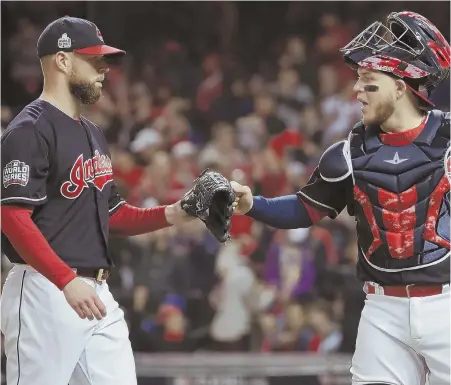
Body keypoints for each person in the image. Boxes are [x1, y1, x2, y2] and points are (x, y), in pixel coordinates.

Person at [232, 11, 450, 385]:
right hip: (382, 311)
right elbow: (304, 209)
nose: (356, 92)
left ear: (401, 86)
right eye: (358, 82)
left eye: (369, 83)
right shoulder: (347, 153)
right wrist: (253, 204)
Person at [0, 17, 196, 385]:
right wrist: (64, 280)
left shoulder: (91, 131)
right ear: (62, 61)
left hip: (97, 294)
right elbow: (11, 216)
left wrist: (174, 212)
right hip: (45, 290)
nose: (105, 68)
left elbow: (113, 212)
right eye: (94, 59)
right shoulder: (29, 130)